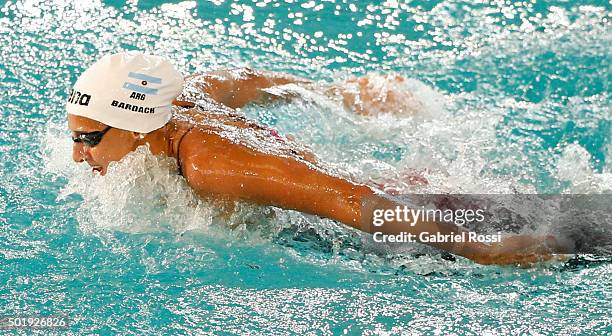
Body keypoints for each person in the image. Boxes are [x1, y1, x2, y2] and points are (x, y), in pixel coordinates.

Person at [67, 51, 566, 265]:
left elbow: (353, 203)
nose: (76, 155)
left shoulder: (211, 166)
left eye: (88, 139)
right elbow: (243, 79)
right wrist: (341, 93)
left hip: (413, 215)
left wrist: (480, 249)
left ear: (137, 127)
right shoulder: (182, 100)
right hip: (390, 187)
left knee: (569, 237)